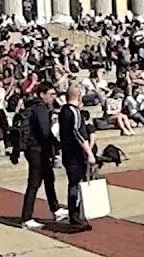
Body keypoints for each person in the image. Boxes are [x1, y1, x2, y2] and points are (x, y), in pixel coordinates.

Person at [20, 82, 64, 228]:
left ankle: (55, 209)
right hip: (37, 150)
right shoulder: (40, 109)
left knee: (49, 179)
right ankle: (26, 218)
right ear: (42, 94)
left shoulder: (34, 107)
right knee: (34, 183)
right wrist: (56, 144)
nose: (53, 97)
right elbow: (45, 132)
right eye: (51, 94)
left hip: (37, 149)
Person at [57, 85, 94, 233]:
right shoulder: (74, 112)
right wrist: (89, 153)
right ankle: (76, 217)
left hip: (67, 153)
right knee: (77, 184)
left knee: (73, 184)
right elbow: (78, 133)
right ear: (78, 97)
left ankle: (75, 215)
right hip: (75, 154)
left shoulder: (63, 111)